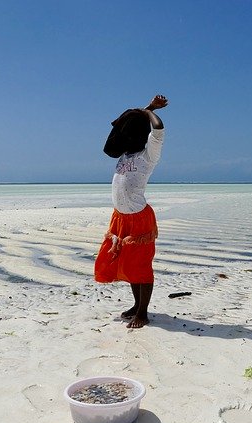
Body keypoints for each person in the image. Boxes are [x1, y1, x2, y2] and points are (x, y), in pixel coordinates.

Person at [94, 94, 168, 328]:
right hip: (120, 217)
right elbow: (130, 123)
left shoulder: (149, 155)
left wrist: (149, 112)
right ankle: (137, 305)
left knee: (141, 266)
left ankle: (143, 313)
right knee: (128, 265)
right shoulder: (126, 154)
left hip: (139, 218)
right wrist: (146, 107)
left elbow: (158, 130)